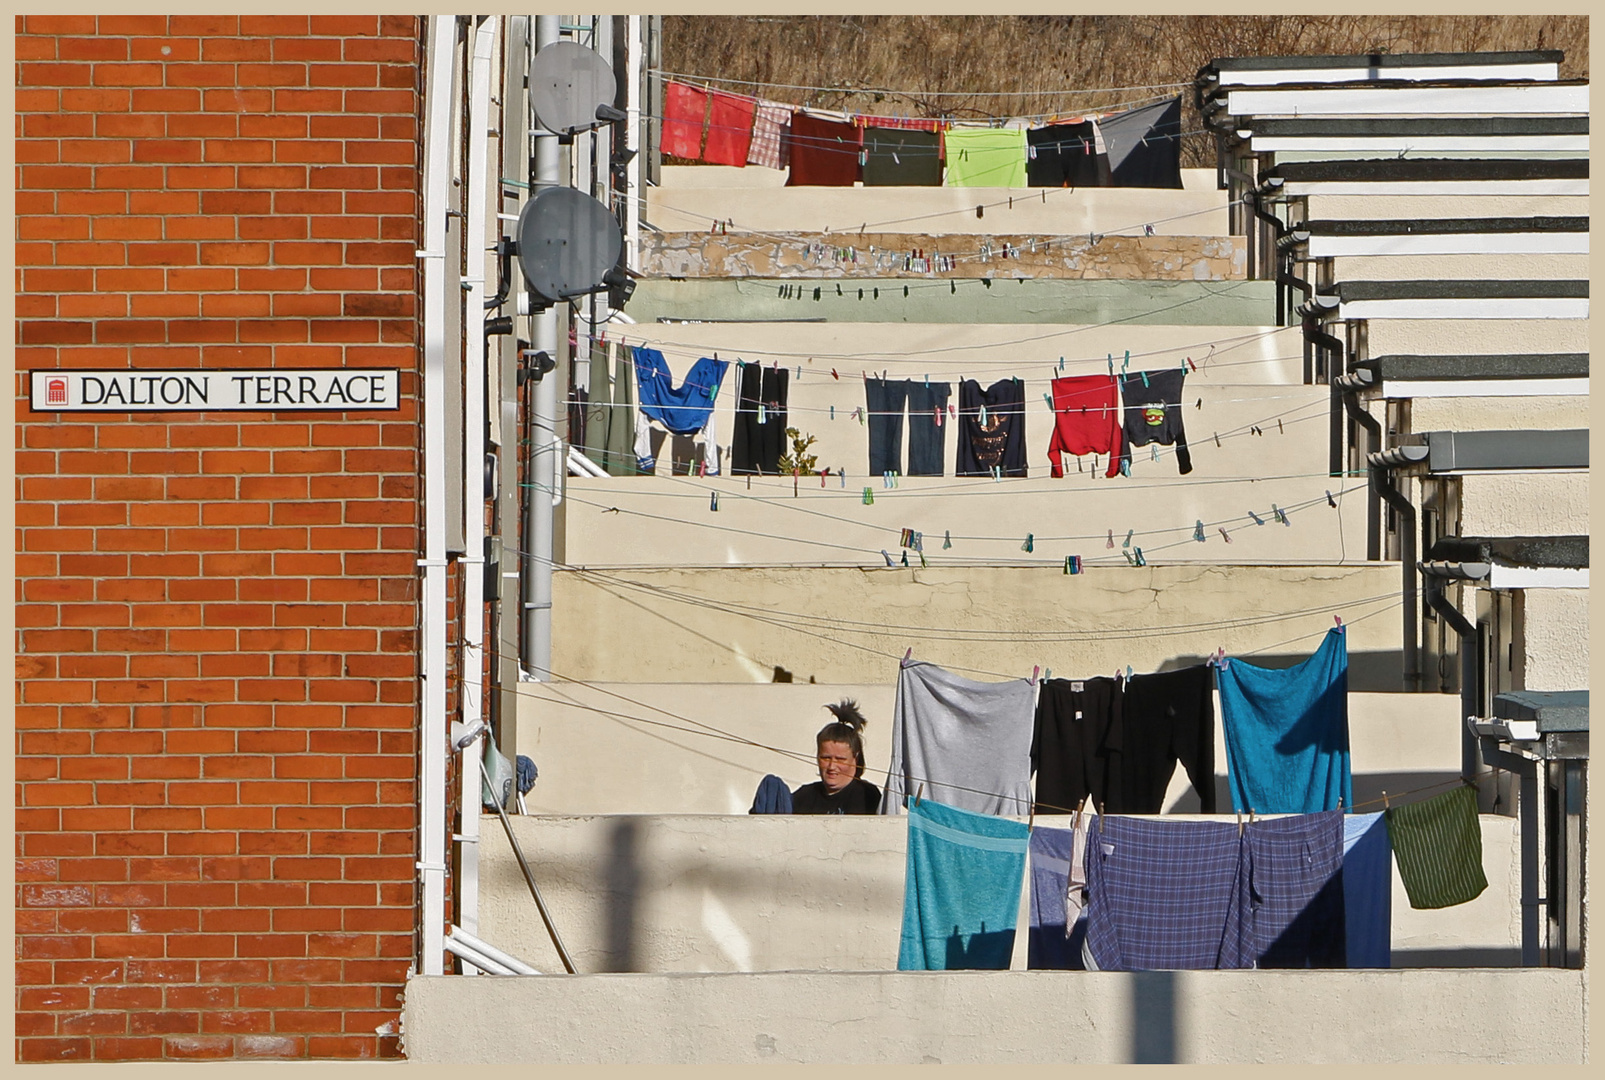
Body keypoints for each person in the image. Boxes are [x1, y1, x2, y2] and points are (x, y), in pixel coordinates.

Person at [791, 700, 881, 814]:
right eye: (826, 758)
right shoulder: (803, 796)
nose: (832, 766)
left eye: (840, 759)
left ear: (856, 759)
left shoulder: (867, 796)